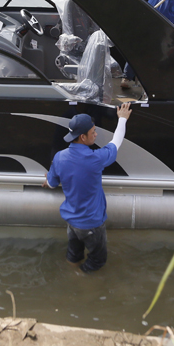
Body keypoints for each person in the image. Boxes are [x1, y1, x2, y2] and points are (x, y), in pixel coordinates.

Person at [44, 103, 133, 273]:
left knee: (73, 256)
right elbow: (116, 142)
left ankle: (70, 278)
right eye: (93, 132)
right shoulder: (95, 159)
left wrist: (47, 181)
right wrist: (122, 119)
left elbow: (52, 183)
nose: (96, 134)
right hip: (92, 224)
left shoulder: (59, 157)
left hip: (72, 222)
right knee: (97, 261)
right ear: (83, 137)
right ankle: (82, 282)